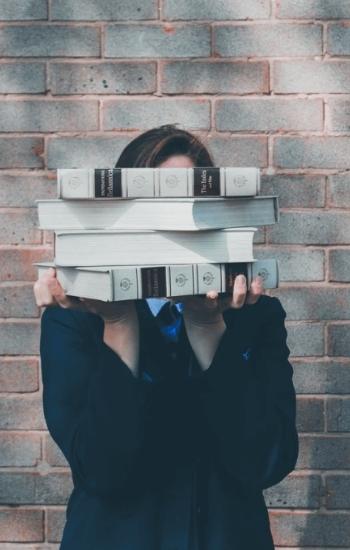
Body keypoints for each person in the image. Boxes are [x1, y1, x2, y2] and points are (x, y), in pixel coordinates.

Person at [34, 124, 299, 550]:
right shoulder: (78, 317)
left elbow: (267, 461)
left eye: (187, 210)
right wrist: (118, 323)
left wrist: (207, 327)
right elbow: (101, 470)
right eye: (152, 212)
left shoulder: (256, 316)